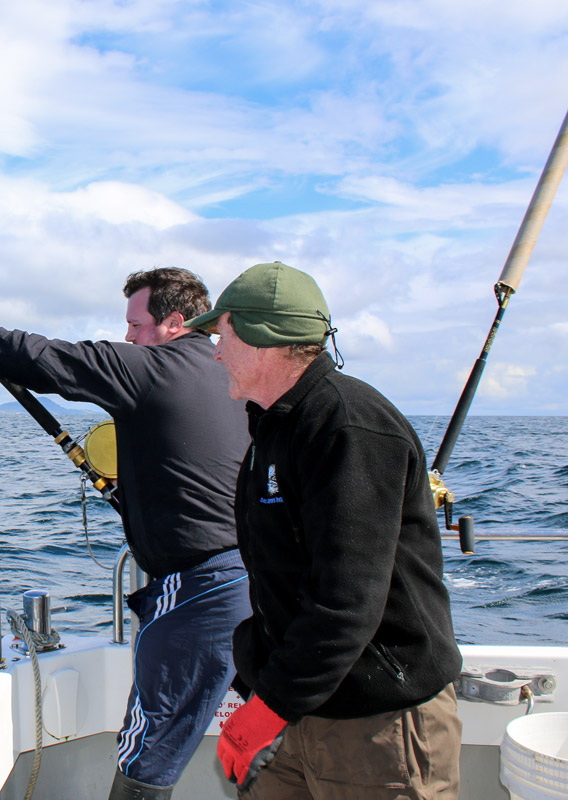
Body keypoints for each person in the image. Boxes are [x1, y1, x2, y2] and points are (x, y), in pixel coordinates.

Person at [0, 267, 251, 800]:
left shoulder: (156, 368)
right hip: (257, 581)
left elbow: (54, 360)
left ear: (175, 321)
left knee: (146, 750)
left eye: (135, 324)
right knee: (268, 729)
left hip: (198, 591)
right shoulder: (231, 374)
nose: (128, 337)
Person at [184, 261, 462, 798]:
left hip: (377, 719)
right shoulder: (276, 422)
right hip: (301, 704)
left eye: (223, 335)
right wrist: (262, 688)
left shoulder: (349, 427)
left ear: (265, 340)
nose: (215, 352)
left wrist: (266, 711)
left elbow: (346, 602)